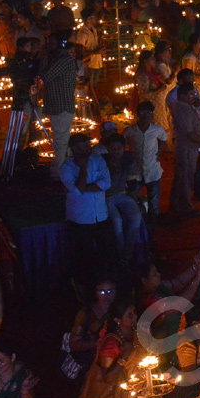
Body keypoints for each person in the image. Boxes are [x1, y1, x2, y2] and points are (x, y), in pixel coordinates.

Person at [59, 132, 116, 284]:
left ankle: (105, 280)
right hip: (81, 218)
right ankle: (85, 284)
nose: (88, 147)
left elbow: (106, 183)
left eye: (88, 144)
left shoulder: (98, 160)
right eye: (83, 145)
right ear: (74, 149)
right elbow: (78, 190)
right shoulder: (66, 168)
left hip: (101, 215)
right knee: (84, 255)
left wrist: (83, 188)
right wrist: (83, 169)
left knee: (106, 250)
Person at [102, 132, 143, 267]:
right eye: (112, 148)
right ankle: (122, 255)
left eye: (118, 148)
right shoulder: (102, 161)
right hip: (107, 198)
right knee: (117, 221)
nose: (116, 151)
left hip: (123, 194)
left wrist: (136, 198)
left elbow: (131, 181)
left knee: (136, 216)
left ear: (124, 148)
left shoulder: (128, 158)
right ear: (107, 149)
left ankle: (127, 254)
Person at [123, 100, 167, 218]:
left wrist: (159, 152)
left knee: (154, 199)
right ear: (138, 114)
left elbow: (163, 138)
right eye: (142, 112)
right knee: (131, 196)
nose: (146, 115)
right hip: (135, 171)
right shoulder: (130, 131)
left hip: (152, 170)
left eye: (149, 112)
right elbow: (123, 144)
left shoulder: (157, 129)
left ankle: (154, 220)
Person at [43, 37, 79, 177]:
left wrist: (44, 57)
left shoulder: (63, 61)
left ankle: (58, 171)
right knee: (62, 138)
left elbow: (46, 76)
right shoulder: (59, 60)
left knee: (61, 140)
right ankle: (66, 168)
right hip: (58, 105)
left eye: (50, 42)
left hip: (61, 105)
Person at [170, 82, 200, 218]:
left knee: (182, 176)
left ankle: (176, 203)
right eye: (191, 94)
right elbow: (189, 134)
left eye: (194, 93)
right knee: (186, 178)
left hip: (190, 147)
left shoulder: (187, 106)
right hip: (187, 148)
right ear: (181, 96)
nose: (194, 96)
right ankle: (185, 206)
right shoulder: (182, 109)